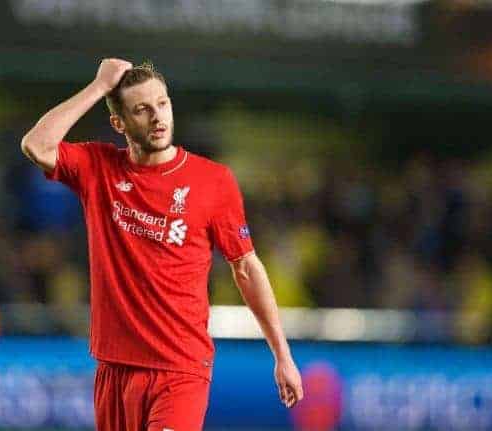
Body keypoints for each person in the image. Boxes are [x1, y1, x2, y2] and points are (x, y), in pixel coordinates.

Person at [21, 58, 303, 431]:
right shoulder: (99, 168)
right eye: (142, 109)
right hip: (115, 368)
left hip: (179, 369)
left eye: (163, 103)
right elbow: (36, 145)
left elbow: (246, 267)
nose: (157, 117)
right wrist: (98, 87)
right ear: (119, 123)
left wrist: (282, 354)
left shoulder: (212, 181)